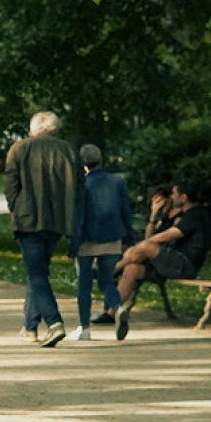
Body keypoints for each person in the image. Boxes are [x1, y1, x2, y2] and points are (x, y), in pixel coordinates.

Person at [3, 110, 83, 347]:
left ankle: (54, 322)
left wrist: (13, 208)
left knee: (36, 273)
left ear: (34, 127)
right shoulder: (70, 151)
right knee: (38, 272)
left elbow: (11, 185)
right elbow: (79, 188)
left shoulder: (19, 148)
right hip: (57, 219)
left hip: (28, 219)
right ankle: (29, 327)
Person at [113, 179, 211, 340]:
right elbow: (154, 238)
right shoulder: (184, 214)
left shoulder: (196, 215)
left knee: (146, 247)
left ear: (184, 197)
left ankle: (111, 271)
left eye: (174, 194)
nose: (172, 197)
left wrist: (142, 246)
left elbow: (169, 235)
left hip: (184, 265)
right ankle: (112, 312)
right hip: (169, 264)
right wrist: (147, 234)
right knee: (132, 268)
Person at [66, 143, 136, 341]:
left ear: (83, 163)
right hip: (113, 237)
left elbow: (78, 218)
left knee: (84, 285)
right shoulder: (117, 181)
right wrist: (129, 238)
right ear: (101, 160)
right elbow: (126, 212)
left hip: (87, 240)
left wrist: (72, 248)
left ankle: (84, 328)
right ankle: (118, 307)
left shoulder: (83, 184)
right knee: (106, 282)